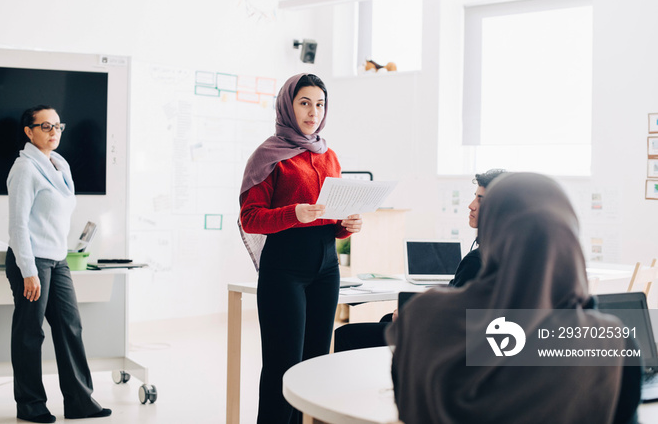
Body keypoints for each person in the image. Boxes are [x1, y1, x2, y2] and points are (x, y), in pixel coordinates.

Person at [386, 173, 641, 424]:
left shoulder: (423, 314)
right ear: (570, 240)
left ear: (491, 232)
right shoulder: (611, 341)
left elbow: (405, 405)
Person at [239, 74, 363, 424]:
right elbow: (250, 217)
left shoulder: (329, 155)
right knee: (283, 364)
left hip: (326, 266)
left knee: (314, 363)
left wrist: (346, 227)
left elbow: (333, 219)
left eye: (319, 104)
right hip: (285, 268)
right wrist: (292, 214)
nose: (313, 112)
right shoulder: (268, 155)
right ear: (287, 106)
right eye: (304, 103)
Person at [6, 105, 111, 423]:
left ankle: (80, 401)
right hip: (32, 260)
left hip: (58, 258)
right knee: (30, 332)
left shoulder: (59, 165)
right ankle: (31, 405)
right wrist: (28, 271)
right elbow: (18, 225)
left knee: (70, 326)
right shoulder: (24, 169)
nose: (54, 133)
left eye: (58, 126)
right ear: (29, 132)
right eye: (46, 127)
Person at [333, 169, 506, 353]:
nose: (471, 205)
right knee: (387, 319)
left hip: (449, 340)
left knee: (346, 334)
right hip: (482, 339)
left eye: (481, 200)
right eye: (474, 197)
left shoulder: (477, 260)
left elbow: (453, 318)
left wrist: (413, 316)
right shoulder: (511, 252)